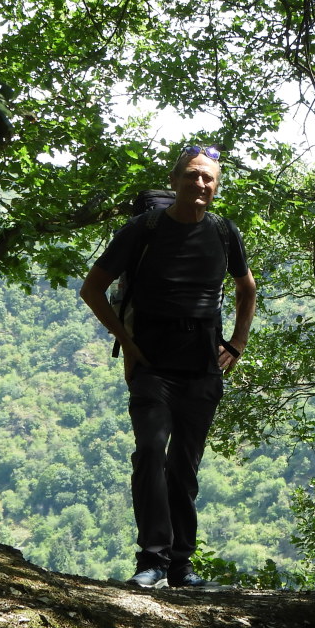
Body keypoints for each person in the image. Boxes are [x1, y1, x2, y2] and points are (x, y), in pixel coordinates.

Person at [79, 145, 257, 588]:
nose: (200, 184)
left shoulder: (223, 231)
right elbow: (93, 289)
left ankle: (180, 566)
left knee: (184, 466)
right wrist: (126, 341)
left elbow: (246, 289)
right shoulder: (143, 229)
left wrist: (236, 344)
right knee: (150, 454)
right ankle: (151, 561)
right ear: (176, 179)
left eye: (208, 179)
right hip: (152, 362)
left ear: (216, 187)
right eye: (193, 176)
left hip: (202, 363)